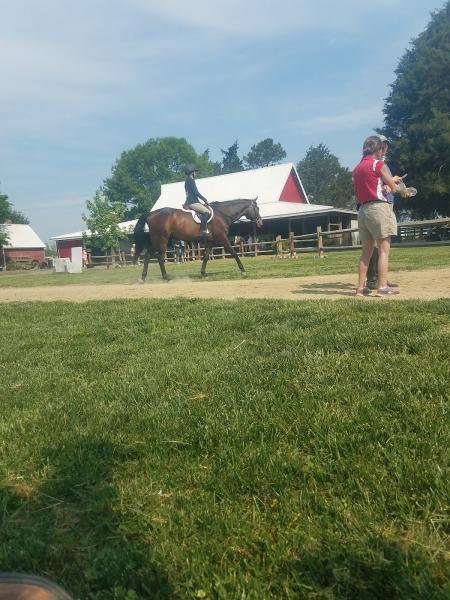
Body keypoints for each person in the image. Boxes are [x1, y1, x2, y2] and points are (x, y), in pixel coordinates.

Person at [353, 135, 403, 297]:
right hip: (379, 208)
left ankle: (360, 288)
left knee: (366, 252)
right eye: (382, 149)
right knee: (383, 250)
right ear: (377, 149)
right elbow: (393, 188)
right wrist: (394, 180)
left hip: (363, 210)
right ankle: (382, 287)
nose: (383, 152)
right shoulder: (378, 164)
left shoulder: (357, 167)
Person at [365, 135, 397, 290]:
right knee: (378, 246)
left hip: (387, 204)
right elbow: (380, 184)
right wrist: (391, 184)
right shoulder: (376, 164)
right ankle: (373, 279)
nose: (384, 148)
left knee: (381, 245)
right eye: (382, 145)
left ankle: (381, 278)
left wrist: (393, 182)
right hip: (379, 206)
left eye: (386, 145)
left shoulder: (383, 164)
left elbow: (388, 183)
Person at [184, 165, 211, 238]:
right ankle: (202, 231)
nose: (196, 174)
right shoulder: (191, 180)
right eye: (195, 172)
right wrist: (205, 200)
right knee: (207, 212)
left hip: (192, 201)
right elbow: (196, 193)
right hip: (193, 202)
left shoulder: (187, 180)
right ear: (192, 172)